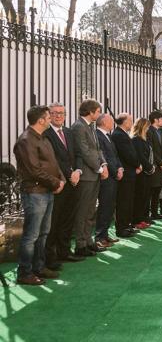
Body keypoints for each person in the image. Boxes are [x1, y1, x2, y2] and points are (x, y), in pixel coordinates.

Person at [14, 105, 66, 285]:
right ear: (41, 120)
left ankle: (38, 266)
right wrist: (55, 182)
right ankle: (24, 272)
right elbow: (34, 170)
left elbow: (53, 163)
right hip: (35, 193)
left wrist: (61, 179)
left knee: (43, 233)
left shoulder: (43, 138)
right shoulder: (26, 140)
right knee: (31, 235)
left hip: (47, 192)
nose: (51, 118)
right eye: (48, 116)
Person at [43, 103, 84, 269]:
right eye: (54, 113)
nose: (58, 116)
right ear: (49, 115)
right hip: (58, 183)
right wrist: (69, 174)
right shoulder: (46, 133)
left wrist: (78, 171)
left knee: (68, 218)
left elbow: (78, 154)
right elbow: (53, 159)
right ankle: (50, 257)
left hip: (74, 182)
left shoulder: (68, 132)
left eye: (62, 113)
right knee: (54, 220)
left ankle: (64, 251)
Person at [72, 99, 108, 257]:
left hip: (94, 174)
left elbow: (98, 149)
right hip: (86, 175)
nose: (99, 114)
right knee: (83, 211)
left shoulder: (90, 126)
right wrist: (99, 168)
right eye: (98, 111)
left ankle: (88, 240)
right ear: (90, 111)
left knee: (91, 211)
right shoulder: (78, 126)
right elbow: (84, 151)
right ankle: (80, 244)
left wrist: (104, 164)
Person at [94, 114, 123, 248]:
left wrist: (120, 168)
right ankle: (99, 236)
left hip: (114, 175)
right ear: (104, 122)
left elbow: (115, 155)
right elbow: (104, 157)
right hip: (107, 177)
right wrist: (114, 170)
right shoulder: (97, 136)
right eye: (111, 121)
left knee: (110, 206)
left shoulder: (108, 136)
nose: (113, 123)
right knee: (105, 206)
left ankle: (105, 234)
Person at [111, 113, 141, 238]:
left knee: (128, 200)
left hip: (130, 172)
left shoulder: (122, 134)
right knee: (123, 201)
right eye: (130, 120)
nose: (132, 123)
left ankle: (127, 225)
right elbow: (127, 154)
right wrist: (137, 164)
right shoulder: (119, 135)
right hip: (126, 172)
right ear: (124, 121)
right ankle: (122, 228)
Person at [131, 118, 155, 229]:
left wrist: (151, 167)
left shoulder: (144, 139)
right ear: (142, 127)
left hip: (147, 173)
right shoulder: (136, 140)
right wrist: (150, 167)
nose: (148, 129)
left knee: (145, 196)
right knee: (139, 197)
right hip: (141, 172)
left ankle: (142, 218)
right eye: (147, 127)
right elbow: (140, 156)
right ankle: (136, 220)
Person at [147, 110, 162, 219]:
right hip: (155, 165)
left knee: (158, 189)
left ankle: (155, 212)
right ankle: (151, 213)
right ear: (155, 120)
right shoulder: (149, 131)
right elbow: (151, 150)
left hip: (161, 164)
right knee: (153, 189)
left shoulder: (161, 131)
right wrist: (160, 162)